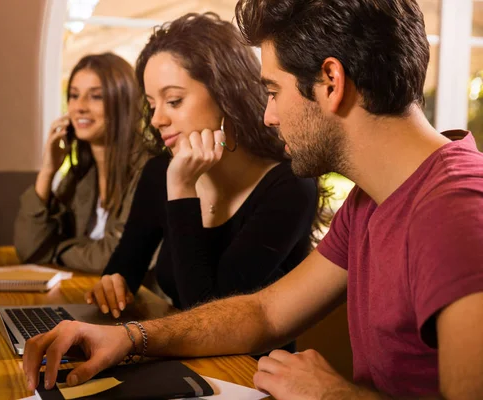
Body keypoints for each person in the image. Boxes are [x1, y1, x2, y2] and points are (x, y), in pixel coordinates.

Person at [24, 0, 483, 398]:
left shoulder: (457, 210)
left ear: (330, 81)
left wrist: (331, 395)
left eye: (272, 91)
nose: (267, 115)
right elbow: (264, 313)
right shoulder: (370, 200)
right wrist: (130, 338)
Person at [84, 12, 330, 333]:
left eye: (174, 100)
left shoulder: (289, 187)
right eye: (151, 104)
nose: (157, 119)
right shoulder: (161, 172)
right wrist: (112, 284)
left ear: (226, 95)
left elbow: (209, 313)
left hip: (248, 372)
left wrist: (182, 188)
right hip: (177, 354)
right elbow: (123, 268)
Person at [14, 53, 147, 273]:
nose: (79, 107)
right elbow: (31, 251)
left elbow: (115, 257)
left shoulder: (147, 170)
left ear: (123, 102)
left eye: (96, 96)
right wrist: (47, 172)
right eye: (74, 96)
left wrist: (57, 251)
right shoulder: (81, 175)